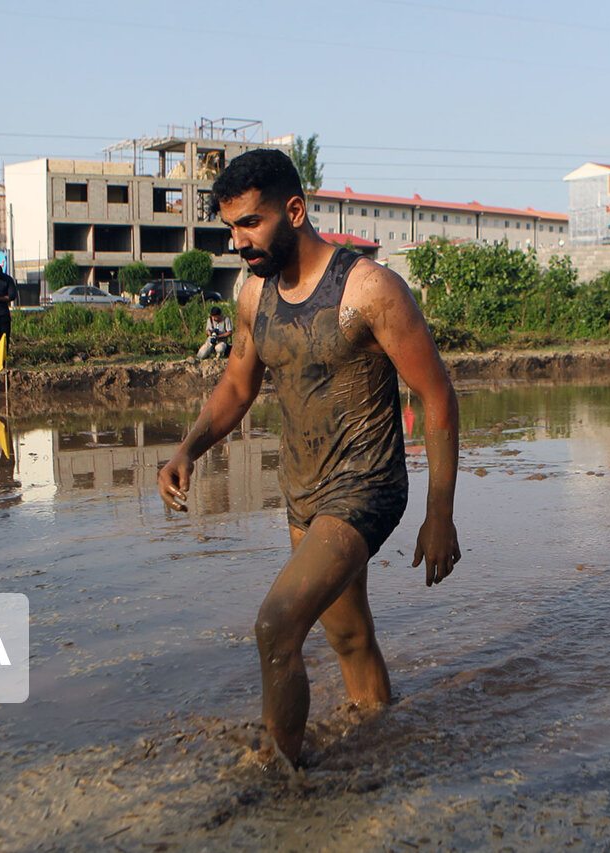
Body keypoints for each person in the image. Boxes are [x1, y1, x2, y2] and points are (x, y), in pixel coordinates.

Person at [158, 149, 461, 767]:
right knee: (348, 636)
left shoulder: (369, 290)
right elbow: (238, 387)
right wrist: (188, 447)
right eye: (231, 228)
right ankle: (382, 741)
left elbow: (437, 396)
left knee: (276, 625)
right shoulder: (253, 296)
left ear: (294, 210)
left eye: (251, 223)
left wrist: (440, 514)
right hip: (303, 490)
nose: (239, 241)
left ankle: (285, 780)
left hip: (366, 487)